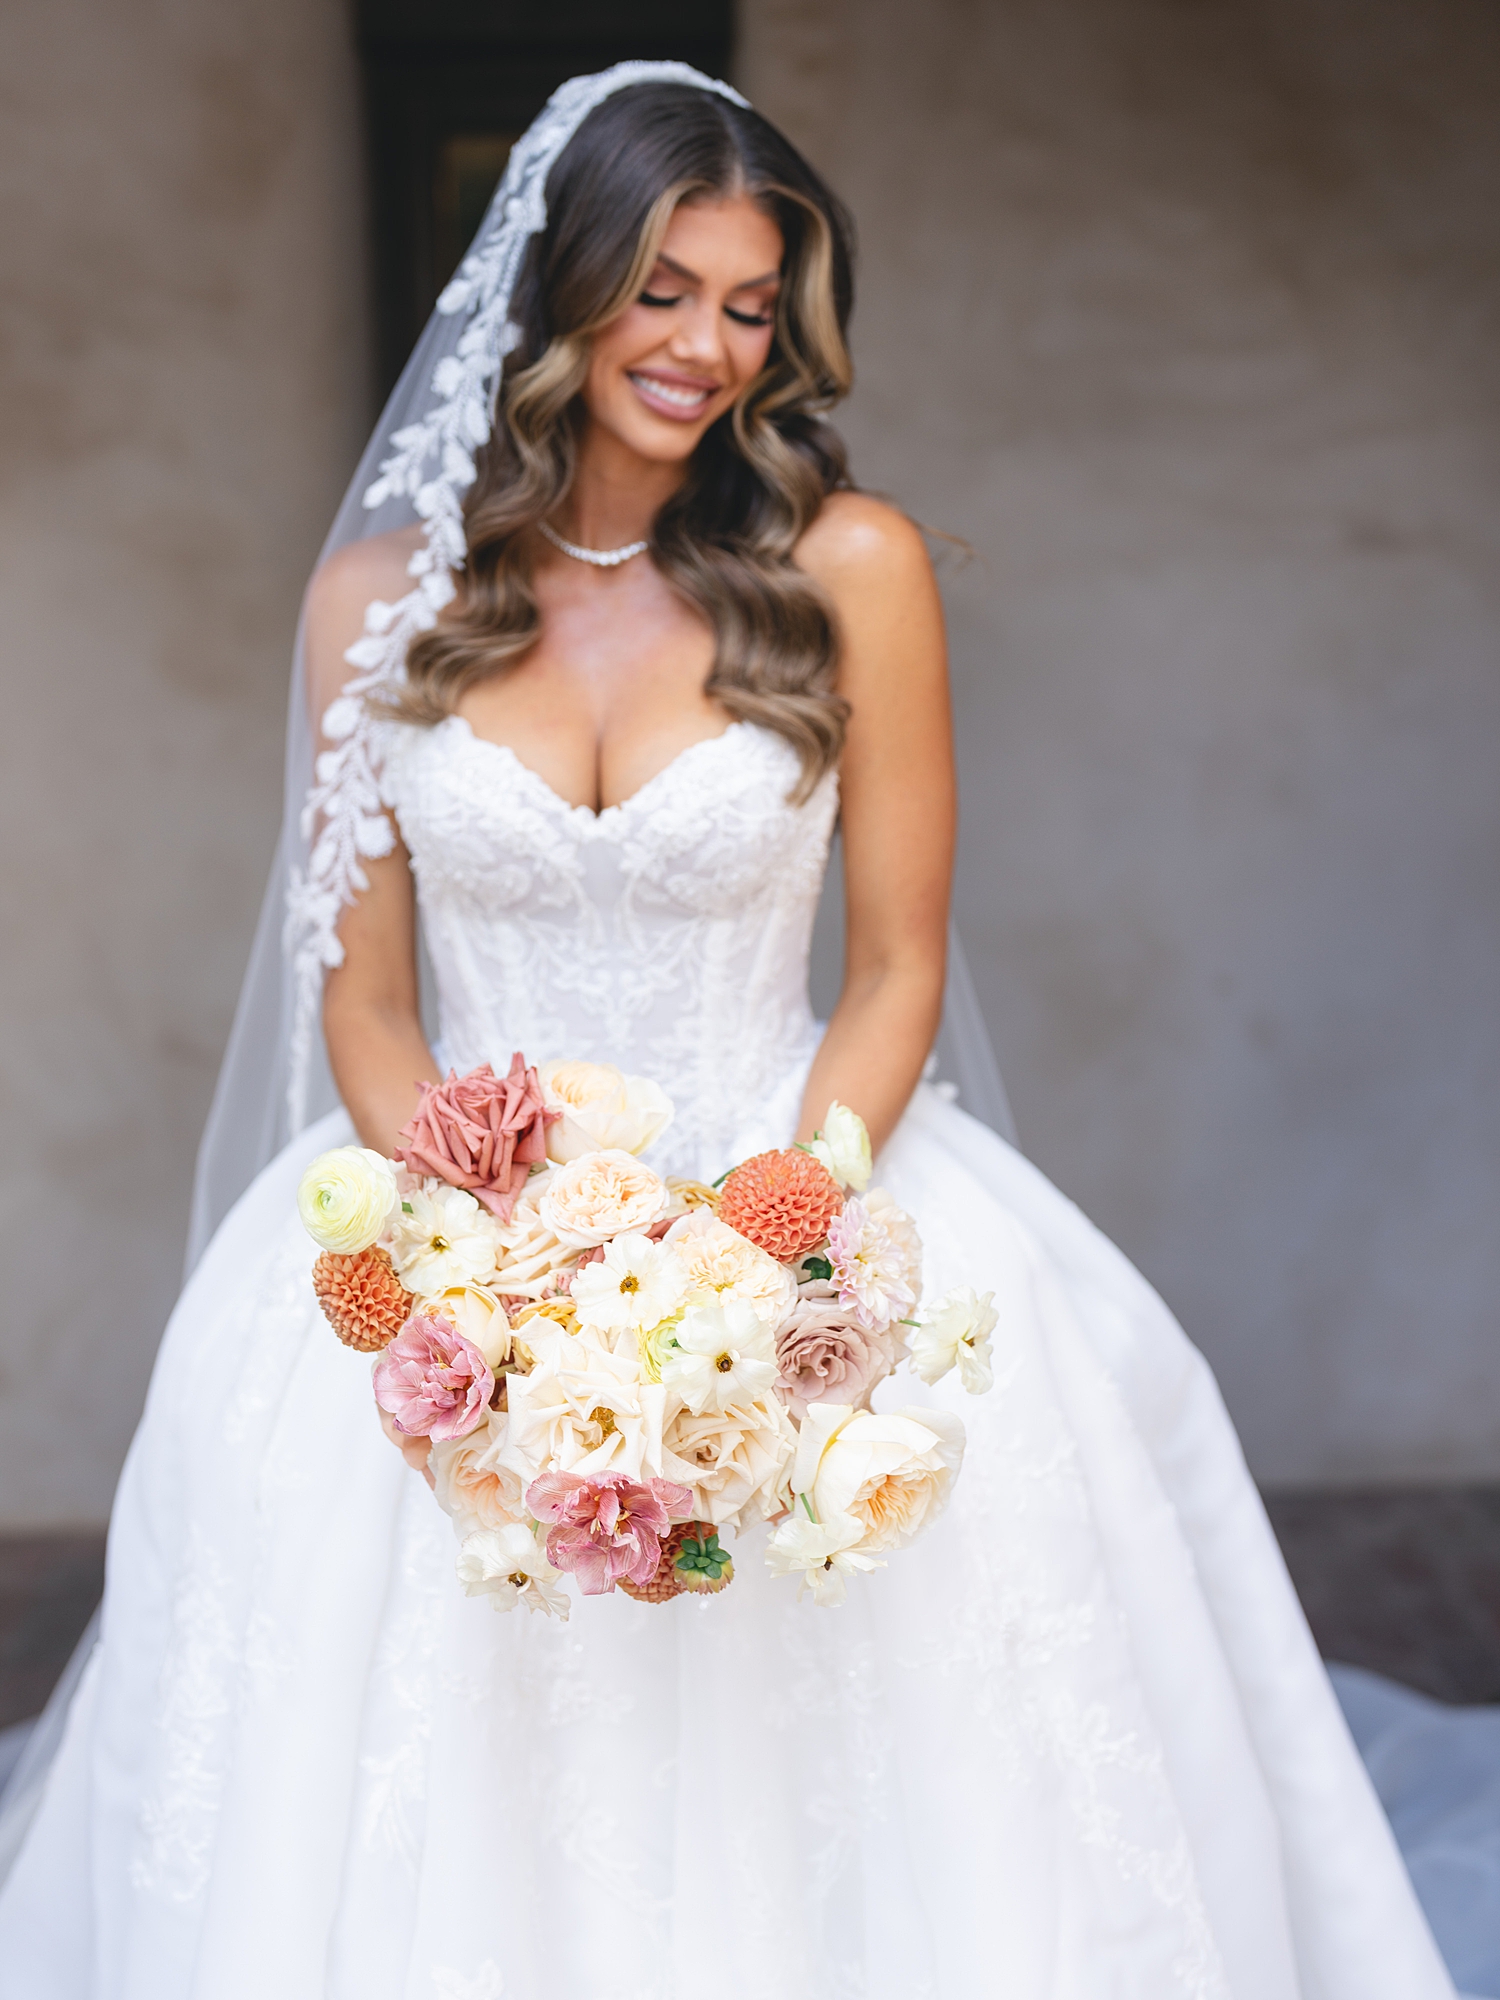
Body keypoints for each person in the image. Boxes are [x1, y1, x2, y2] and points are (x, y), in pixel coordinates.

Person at [0, 61, 1456, 2000]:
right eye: (664, 287)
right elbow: (360, 999)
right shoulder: (375, 599)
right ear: (564, 291)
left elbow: (896, 966)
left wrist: (773, 1219)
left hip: (805, 1177)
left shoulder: (852, 569)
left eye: (749, 304)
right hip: (468, 1216)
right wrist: (493, 1246)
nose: (702, 344)